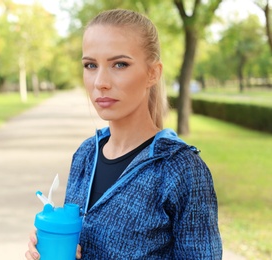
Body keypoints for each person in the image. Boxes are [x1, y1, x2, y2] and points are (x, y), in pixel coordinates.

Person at [26, 9, 222, 259]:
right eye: (90, 65)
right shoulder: (86, 154)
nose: (100, 82)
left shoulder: (181, 169)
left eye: (120, 64)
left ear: (153, 73)